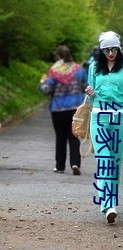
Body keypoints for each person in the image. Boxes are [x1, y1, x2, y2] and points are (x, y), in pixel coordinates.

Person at [85, 31, 123, 223]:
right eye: (106, 50)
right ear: (101, 50)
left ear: (119, 48)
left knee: (115, 162)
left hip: (119, 119)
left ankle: (110, 203)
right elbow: (91, 97)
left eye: (114, 49)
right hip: (99, 117)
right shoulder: (93, 68)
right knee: (104, 159)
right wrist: (90, 92)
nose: (110, 53)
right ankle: (108, 204)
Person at [39, 45, 88, 175]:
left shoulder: (54, 71)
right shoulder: (79, 70)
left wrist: (42, 83)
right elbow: (86, 87)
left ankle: (60, 166)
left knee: (60, 138)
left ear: (58, 57)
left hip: (58, 109)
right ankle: (75, 163)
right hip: (75, 109)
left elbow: (47, 90)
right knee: (74, 137)